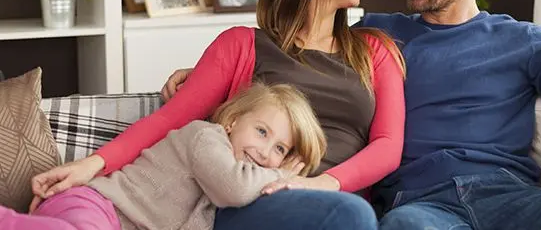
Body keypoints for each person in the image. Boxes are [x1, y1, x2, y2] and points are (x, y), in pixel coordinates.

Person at [164, 0, 541, 230]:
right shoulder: (374, 38)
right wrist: (205, 74)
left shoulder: (523, 41)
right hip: (420, 205)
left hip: (508, 196)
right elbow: (299, 53)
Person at [29, 0, 406, 230]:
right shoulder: (242, 45)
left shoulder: (374, 51)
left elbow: (388, 147)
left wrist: (323, 183)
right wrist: (90, 165)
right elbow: (169, 121)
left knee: (352, 214)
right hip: (248, 201)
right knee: (352, 217)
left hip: (334, 199)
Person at [1, 83, 326, 230]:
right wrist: (285, 176)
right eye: (262, 132)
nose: (265, 152)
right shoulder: (205, 137)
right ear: (232, 121)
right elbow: (235, 187)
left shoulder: (239, 179)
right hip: (97, 204)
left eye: (280, 150)